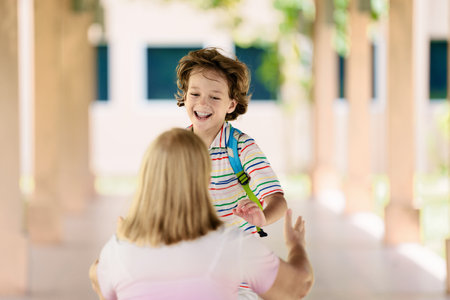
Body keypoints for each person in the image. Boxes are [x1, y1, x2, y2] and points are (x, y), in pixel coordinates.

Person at [89, 128, 314, 300]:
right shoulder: (232, 246)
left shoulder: (117, 251)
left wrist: (123, 239)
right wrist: (296, 246)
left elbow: (97, 277)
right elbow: (298, 285)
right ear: (206, 179)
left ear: (147, 178)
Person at [176, 47, 288, 298]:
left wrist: (262, 217)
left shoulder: (241, 147)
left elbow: (277, 201)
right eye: (195, 93)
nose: (202, 103)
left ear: (231, 104)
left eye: (215, 97)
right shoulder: (177, 146)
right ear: (185, 96)